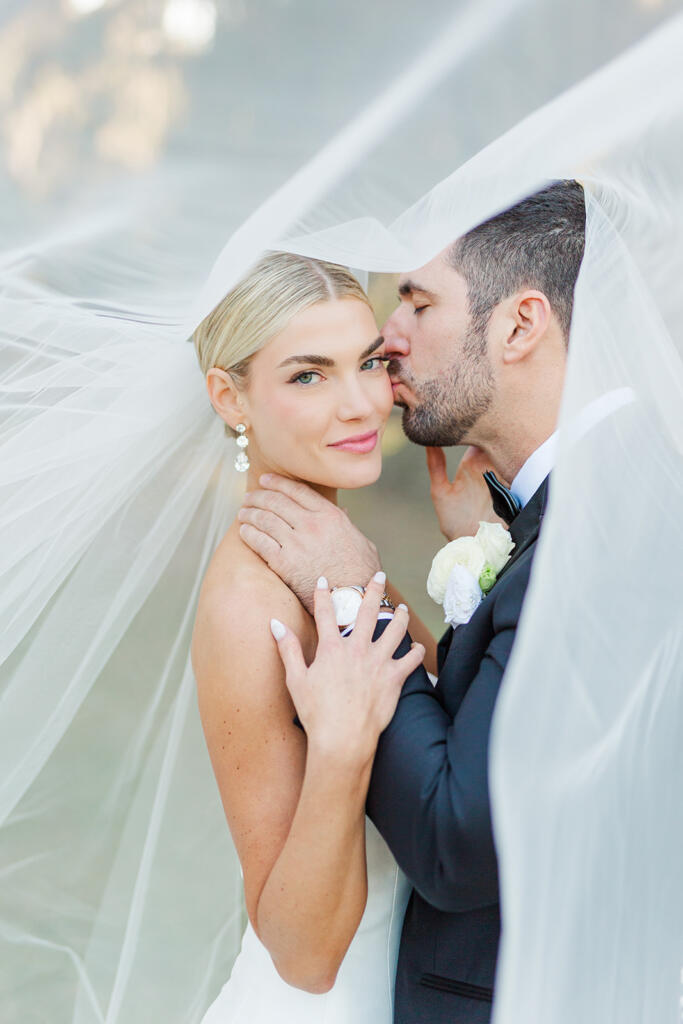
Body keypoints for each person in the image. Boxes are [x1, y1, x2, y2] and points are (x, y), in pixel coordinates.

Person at [238, 181, 623, 1024]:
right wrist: (477, 569)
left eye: (415, 301)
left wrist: (349, 588)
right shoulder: (604, 490)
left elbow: (456, 840)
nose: (390, 337)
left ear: (519, 324)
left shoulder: (593, 531)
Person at [191, 250, 429, 1024]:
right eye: (308, 375)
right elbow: (301, 956)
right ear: (231, 397)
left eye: (367, 362)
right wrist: (340, 745)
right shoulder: (248, 607)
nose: (362, 404)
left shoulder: (328, 550)